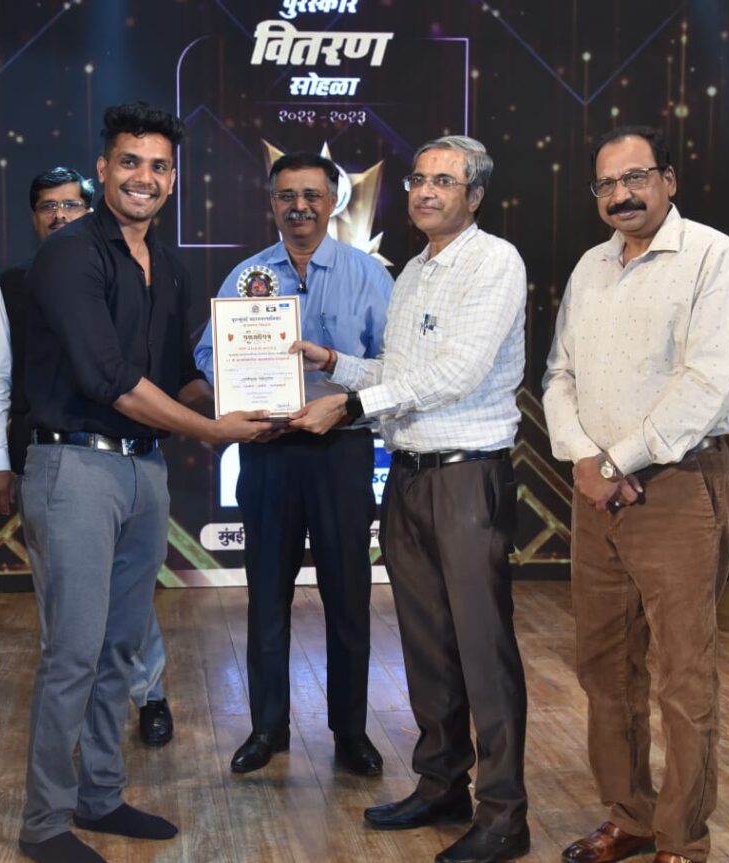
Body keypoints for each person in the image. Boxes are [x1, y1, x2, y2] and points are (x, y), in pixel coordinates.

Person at [17, 102, 273, 863]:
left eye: (159, 166)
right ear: (103, 169)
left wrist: (247, 398)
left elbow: (176, 375)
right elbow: (110, 378)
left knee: (121, 647)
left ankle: (99, 795)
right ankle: (44, 823)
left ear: (173, 178)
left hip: (144, 471)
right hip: (76, 468)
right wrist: (213, 432)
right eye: (130, 162)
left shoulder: (170, 263)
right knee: (73, 651)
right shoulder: (69, 254)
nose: (145, 177)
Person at [290, 135, 530, 863]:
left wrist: (350, 405)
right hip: (410, 474)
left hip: (467, 476)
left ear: (475, 196)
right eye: (419, 179)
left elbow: (457, 373)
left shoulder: (494, 262)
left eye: (444, 182)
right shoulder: (417, 269)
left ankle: (504, 815)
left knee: (483, 649)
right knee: (426, 643)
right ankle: (441, 783)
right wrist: (336, 364)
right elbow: (399, 372)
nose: (425, 191)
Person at [542, 125, 729, 863]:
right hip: (595, 492)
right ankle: (629, 816)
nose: (621, 195)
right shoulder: (590, 268)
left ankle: (682, 840)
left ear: (668, 180)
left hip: (677, 486)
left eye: (635, 178)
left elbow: (707, 383)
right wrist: (585, 460)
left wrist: (617, 460)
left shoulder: (712, 257)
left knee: (683, 676)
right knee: (604, 667)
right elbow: (558, 374)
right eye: (606, 184)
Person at [194, 151, 393, 776]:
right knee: (267, 595)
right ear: (272, 203)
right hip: (269, 450)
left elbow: (395, 366)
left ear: (333, 203)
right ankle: (267, 729)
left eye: (311, 195)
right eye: (287, 196)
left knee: (348, 595)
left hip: (342, 449)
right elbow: (207, 353)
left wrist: (340, 387)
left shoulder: (369, 275)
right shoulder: (247, 275)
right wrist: (239, 387)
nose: (299, 207)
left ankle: (351, 732)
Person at [0, 166, 176, 749]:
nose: (59, 215)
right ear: (34, 217)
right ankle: (75, 712)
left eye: (71, 204)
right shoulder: (14, 285)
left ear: (91, 210)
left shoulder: (128, 272)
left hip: (129, 458)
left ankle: (149, 694)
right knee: (65, 603)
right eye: (48, 206)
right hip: (54, 463)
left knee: (131, 595)